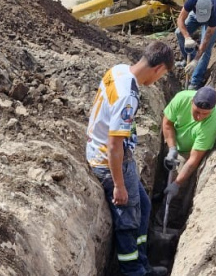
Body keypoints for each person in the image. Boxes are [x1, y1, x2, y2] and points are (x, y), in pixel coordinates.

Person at [86, 41, 174, 276]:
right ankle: (133, 271)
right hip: (109, 161)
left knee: (143, 206)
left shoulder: (118, 71)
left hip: (107, 152)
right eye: (162, 75)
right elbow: (114, 145)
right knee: (128, 219)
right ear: (159, 69)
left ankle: (142, 262)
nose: (157, 81)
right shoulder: (128, 96)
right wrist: (119, 185)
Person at [161, 86, 216, 199]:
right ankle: (160, 191)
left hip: (188, 152)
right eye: (197, 111)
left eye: (205, 114)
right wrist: (172, 149)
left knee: (177, 190)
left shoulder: (213, 122)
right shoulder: (181, 98)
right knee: (164, 171)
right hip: (172, 139)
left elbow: (194, 159)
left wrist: (177, 184)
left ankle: (170, 213)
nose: (200, 117)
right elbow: (167, 124)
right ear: (191, 102)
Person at [175, 0, 216, 90]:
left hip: (215, 18)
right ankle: (188, 61)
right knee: (178, 33)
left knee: (206, 50)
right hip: (196, 14)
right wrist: (187, 37)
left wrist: (196, 60)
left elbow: (206, 40)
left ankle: (196, 81)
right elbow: (180, 19)